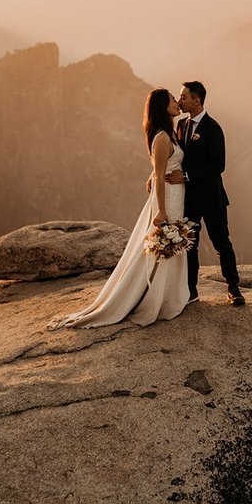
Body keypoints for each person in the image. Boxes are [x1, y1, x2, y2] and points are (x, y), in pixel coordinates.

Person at [46, 88, 191, 330]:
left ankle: (167, 295)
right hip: (167, 198)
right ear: (162, 107)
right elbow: (159, 174)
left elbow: (159, 167)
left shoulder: (168, 134)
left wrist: (156, 177)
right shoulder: (164, 137)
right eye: (172, 100)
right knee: (164, 243)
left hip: (175, 194)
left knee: (170, 244)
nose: (177, 102)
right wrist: (161, 210)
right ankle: (156, 299)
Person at [167, 80, 245, 306]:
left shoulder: (213, 128)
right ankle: (191, 290)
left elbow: (218, 165)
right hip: (189, 199)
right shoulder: (180, 125)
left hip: (212, 198)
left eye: (183, 97)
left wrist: (187, 176)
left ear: (196, 100)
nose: (180, 100)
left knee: (221, 243)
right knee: (190, 244)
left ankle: (233, 288)